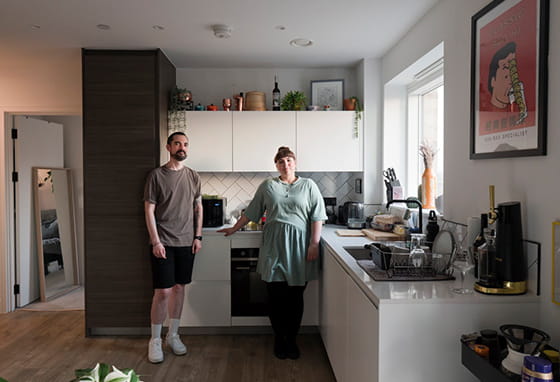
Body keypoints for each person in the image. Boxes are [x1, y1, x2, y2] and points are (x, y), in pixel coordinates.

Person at [218, 146, 326, 360]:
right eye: (281, 161)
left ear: (295, 162)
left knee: (295, 298)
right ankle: (279, 339)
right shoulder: (268, 186)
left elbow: (317, 215)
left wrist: (314, 244)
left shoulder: (309, 186)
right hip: (274, 247)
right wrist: (233, 228)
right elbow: (252, 212)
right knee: (275, 298)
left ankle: (292, 340)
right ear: (276, 165)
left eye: (289, 160)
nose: (285, 164)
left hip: (299, 248)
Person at [143, 131, 203, 363]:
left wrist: (198, 237)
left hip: (187, 242)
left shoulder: (193, 176)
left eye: (186, 144)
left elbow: (198, 208)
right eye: (177, 143)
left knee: (179, 289)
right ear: (168, 147)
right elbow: (149, 210)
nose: (182, 147)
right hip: (164, 243)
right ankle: (155, 340)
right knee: (163, 291)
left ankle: (173, 335)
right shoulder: (156, 175)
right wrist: (156, 241)